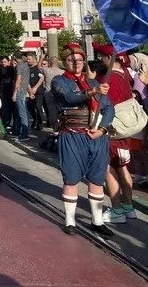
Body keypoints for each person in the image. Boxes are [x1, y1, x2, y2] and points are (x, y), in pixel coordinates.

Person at [51, 43, 113, 237]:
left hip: (96, 137)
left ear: (83, 61)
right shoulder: (59, 81)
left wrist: (102, 130)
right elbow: (70, 98)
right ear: (65, 62)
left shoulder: (95, 83)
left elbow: (109, 109)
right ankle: (70, 221)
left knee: (96, 178)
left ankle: (97, 220)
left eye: (79, 60)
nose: (76, 63)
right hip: (72, 135)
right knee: (71, 178)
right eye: (71, 60)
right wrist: (94, 92)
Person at [92, 43, 138, 224]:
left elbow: (105, 106)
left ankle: (117, 210)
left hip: (112, 130)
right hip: (125, 128)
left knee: (108, 168)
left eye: (101, 57)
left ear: (108, 59)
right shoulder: (125, 75)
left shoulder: (108, 79)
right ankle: (129, 207)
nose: (100, 60)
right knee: (123, 166)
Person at [40, 56, 64, 129]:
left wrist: (41, 58)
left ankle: (55, 129)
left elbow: (38, 67)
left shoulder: (47, 70)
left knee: (52, 113)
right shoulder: (62, 72)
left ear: (49, 62)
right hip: (59, 94)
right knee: (60, 112)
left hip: (49, 94)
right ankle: (60, 129)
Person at [13, 51, 31, 140]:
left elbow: (18, 80)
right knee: (24, 112)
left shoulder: (19, 66)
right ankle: (24, 132)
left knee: (21, 112)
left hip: (20, 90)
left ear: (15, 57)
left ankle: (24, 134)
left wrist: (14, 93)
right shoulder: (26, 65)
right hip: (25, 89)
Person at [26, 52, 46, 130]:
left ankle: (40, 124)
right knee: (30, 107)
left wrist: (35, 88)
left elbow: (42, 78)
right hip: (30, 91)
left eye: (29, 59)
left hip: (39, 91)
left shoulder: (38, 68)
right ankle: (34, 120)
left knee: (38, 107)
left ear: (34, 59)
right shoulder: (27, 69)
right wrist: (30, 90)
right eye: (27, 59)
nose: (28, 61)